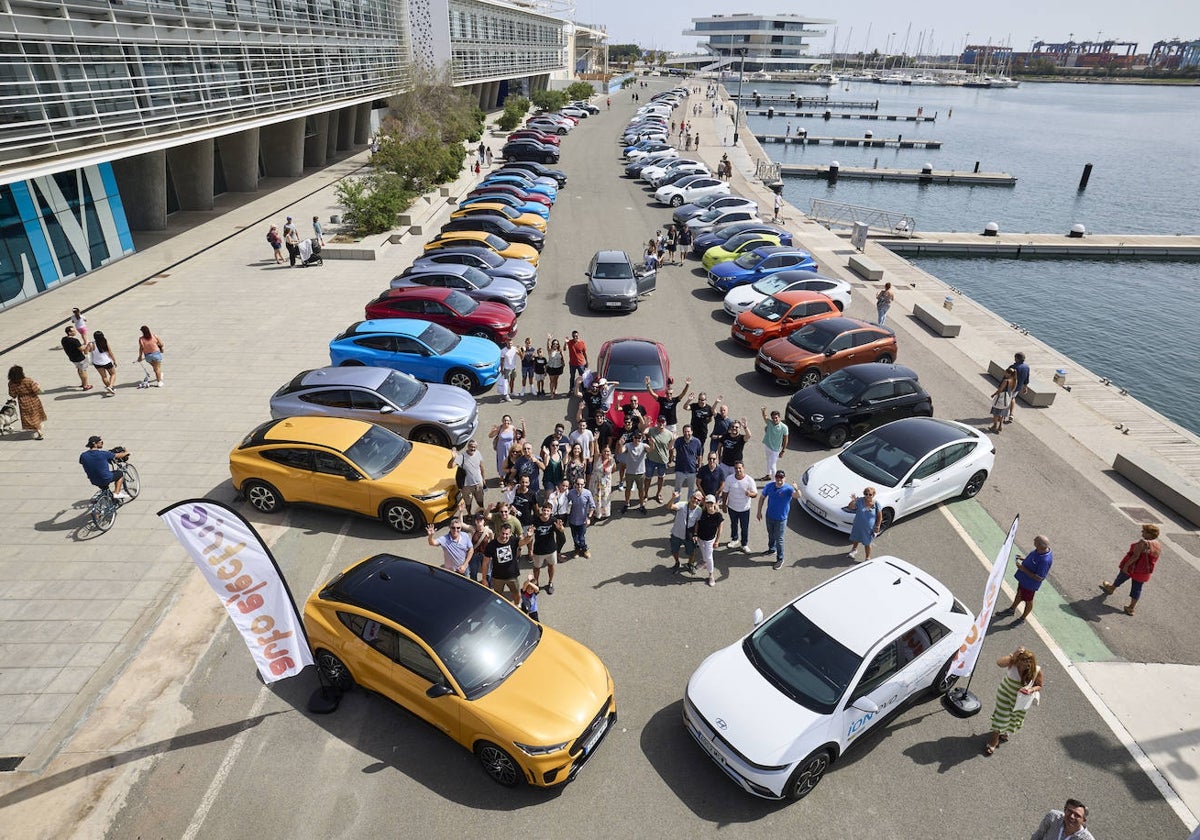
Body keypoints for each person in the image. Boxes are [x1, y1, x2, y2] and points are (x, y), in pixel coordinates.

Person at [984, 646, 1042, 755]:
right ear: (1018, 660)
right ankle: (993, 742)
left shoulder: (1036, 670)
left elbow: (1039, 685)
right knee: (1000, 718)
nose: (1025, 666)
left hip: (1020, 701)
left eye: (1028, 663)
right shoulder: (1013, 662)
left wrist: (1031, 690)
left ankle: (1005, 731)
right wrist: (1013, 655)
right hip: (1005, 695)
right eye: (1023, 662)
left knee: (1013, 718)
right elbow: (999, 663)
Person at [1100, 523, 1161, 616]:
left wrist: (1126, 565)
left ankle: (1111, 588)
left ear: (1149, 534)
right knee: (1137, 588)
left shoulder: (1143, 543)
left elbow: (1135, 556)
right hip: (1144, 571)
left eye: (1144, 531)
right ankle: (1131, 608)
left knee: (1122, 576)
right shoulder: (1157, 545)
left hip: (1133, 567)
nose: (1142, 532)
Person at [997, 535, 1053, 623]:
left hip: (1029, 584)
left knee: (1028, 601)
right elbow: (1034, 561)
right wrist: (1023, 559)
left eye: (1036, 541)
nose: (1033, 540)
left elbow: (1039, 578)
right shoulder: (1039, 550)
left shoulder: (1044, 561)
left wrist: (1023, 569)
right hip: (1024, 580)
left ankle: (1022, 618)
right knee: (1019, 593)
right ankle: (1012, 609)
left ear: (1039, 545)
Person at [758, 470, 798, 570]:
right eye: (777, 477)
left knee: (779, 539)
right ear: (775, 477)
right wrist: (759, 511)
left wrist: (797, 489)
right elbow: (762, 498)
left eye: (781, 478)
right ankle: (772, 549)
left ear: (785, 478)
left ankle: (780, 558)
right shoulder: (769, 486)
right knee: (770, 534)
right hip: (769, 516)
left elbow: (798, 496)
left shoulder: (788, 489)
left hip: (781, 519)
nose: (779, 480)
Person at [720, 462, 758, 552]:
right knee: (734, 524)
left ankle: (744, 544)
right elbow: (725, 492)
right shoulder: (729, 479)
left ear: (743, 468)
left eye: (740, 468)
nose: (738, 470)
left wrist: (750, 494)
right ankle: (734, 539)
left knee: (744, 527)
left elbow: (755, 494)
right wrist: (724, 505)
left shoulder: (749, 480)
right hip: (732, 508)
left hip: (744, 509)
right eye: (736, 468)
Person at [482, 522, 522, 605]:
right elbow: (485, 563)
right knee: (498, 596)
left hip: (512, 576)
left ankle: (517, 606)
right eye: (503, 533)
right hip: (498, 577)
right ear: (499, 532)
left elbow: (524, 542)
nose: (504, 536)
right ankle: (500, 609)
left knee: (516, 593)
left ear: (510, 533)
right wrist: (484, 579)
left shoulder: (514, 540)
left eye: (507, 534)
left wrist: (529, 535)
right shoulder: (491, 545)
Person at [526, 504, 562, 592]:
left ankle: (550, 582)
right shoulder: (535, 521)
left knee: (551, 566)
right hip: (538, 550)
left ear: (551, 512)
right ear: (542, 511)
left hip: (551, 549)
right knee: (536, 568)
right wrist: (529, 537)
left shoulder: (553, 520)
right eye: (544, 510)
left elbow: (562, 530)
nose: (546, 512)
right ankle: (536, 584)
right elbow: (530, 535)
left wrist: (560, 528)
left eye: (548, 511)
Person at [7, 366, 46, 440]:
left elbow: (13, 395)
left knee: (28, 417)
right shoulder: (28, 380)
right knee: (35, 414)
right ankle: (38, 430)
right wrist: (38, 386)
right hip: (33, 399)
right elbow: (36, 391)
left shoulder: (11, 383)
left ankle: (37, 427)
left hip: (23, 402)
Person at [692, 495, 724, 587]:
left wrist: (717, 541)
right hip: (701, 538)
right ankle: (704, 562)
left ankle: (711, 575)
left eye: (711, 503)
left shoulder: (718, 515)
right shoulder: (702, 512)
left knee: (709, 557)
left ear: (714, 504)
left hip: (710, 540)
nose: (709, 505)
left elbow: (720, 529)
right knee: (703, 552)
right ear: (705, 503)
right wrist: (695, 534)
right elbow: (697, 523)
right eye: (707, 503)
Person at [668, 490, 704, 572]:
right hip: (676, 534)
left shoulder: (699, 510)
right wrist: (673, 498)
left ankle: (690, 564)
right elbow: (670, 507)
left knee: (691, 552)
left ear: (700, 501)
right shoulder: (682, 504)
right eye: (694, 498)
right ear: (691, 497)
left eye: (698, 500)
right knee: (674, 550)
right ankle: (677, 562)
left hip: (689, 535)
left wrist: (695, 534)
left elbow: (697, 523)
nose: (695, 501)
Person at [846, 487, 882, 560]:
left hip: (869, 528)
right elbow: (850, 507)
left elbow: (879, 516)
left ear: (873, 495)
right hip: (858, 525)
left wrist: (878, 526)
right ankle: (854, 550)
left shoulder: (876, 504)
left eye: (870, 494)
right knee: (856, 538)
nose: (868, 496)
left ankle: (867, 558)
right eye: (866, 494)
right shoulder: (859, 501)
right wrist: (853, 501)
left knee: (867, 543)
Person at [450, 440, 485, 514]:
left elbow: (481, 467)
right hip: (467, 486)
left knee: (480, 501)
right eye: (471, 446)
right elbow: (451, 466)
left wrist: (483, 478)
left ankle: (482, 512)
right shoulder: (462, 456)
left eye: (474, 447)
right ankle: (469, 514)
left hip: (478, 484)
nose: (473, 448)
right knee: (468, 503)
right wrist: (453, 458)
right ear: (468, 447)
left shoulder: (478, 453)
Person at [644, 416, 674, 502]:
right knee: (648, 478)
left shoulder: (670, 434)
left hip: (663, 460)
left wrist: (670, 460)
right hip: (651, 459)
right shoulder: (651, 430)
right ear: (657, 422)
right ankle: (645, 495)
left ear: (665, 423)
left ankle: (658, 494)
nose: (661, 423)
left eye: (663, 422)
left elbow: (670, 448)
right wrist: (646, 424)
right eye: (659, 422)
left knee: (661, 478)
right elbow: (643, 432)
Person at [565, 477, 597, 559]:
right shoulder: (571, 493)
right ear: (575, 484)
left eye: (581, 484)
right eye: (578, 484)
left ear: (584, 485)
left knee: (581, 537)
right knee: (575, 537)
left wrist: (589, 517)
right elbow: (565, 503)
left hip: (583, 520)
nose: (579, 486)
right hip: (572, 519)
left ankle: (585, 549)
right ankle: (577, 549)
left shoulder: (587, 493)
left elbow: (592, 506)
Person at [621, 431, 649, 514]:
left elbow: (650, 449)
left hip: (640, 472)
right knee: (628, 490)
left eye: (639, 438)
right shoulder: (628, 445)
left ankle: (641, 505)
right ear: (633, 438)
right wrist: (620, 444)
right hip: (630, 472)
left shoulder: (644, 445)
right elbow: (621, 451)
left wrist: (652, 444)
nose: (637, 439)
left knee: (641, 490)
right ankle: (626, 503)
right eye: (636, 437)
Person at [488, 415, 521, 484]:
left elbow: (515, 438)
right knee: (501, 462)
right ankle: (501, 478)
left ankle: (511, 476)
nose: (506, 422)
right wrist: (493, 431)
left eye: (508, 420)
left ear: (510, 421)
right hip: (501, 449)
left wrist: (516, 447)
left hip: (510, 448)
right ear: (502, 421)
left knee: (511, 461)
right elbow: (490, 436)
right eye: (505, 420)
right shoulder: (500, 428)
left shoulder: (512, 428)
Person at [672, 424, 703, 498]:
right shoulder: (679, 440)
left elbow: (699, 456)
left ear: (692, 432)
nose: (687, 433)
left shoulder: (697, 442)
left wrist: (699, 466)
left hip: (692, 470)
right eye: (685, 432)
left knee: (691, 490)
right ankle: (676, 505)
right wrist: (673, 439)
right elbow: (670, 447)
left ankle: (689, 506)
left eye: (688, 431)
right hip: (680, 470)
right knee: (677, 489)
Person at [760, 407, 788, 480]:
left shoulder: (784, 427)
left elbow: (785, 439)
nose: (775, 420)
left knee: (773, 466)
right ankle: (768, 475)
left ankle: (774, 481)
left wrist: (783, 451)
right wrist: (763, 412)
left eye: (776, 418)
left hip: (775, 449)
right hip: (767, 446)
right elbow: (765, 417)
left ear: (779, 417)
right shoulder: (770, 423)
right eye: (773, 418)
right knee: (768, 461)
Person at [87, 330, 118, 395]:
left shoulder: (91, 344)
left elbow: (85, 352)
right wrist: (114, 360)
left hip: (97, 363)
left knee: (104, 377)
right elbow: (110, 352)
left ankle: (110, 388)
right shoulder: (104, 342)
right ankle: (111, 386)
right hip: (106, 361)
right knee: (113, 374)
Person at [590, 444, 615, 520]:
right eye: (604, 451)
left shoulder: (612, 460)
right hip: (596, 482)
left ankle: (604, 513)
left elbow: (613, 469)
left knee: (605, 498)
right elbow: (596, 450)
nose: (606, 453)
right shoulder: (598, 458)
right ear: (601, 452)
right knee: (596, 498)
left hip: (606, 483)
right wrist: (595, 440)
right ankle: (596, 514)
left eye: (608, 451)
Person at [989, 366, 1017, 433]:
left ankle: (994, 426)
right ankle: (1000, 426)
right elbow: (1013, 390)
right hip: (1008, 399)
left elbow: (1000, 390)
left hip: (1001, 398)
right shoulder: (1015, 380)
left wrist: (994, 394)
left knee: (996, 413)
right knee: (1002, 413)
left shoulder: (1006, 381)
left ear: (1009, 374)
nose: (1005, 374)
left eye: (1006, 373)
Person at [1008, 351, 1031, 424]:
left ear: (1017, 358)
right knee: (1012, 398)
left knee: (1006, 399)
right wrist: (1025, 387)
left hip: (1010, 386)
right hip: (1018, 387)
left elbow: (1006, 377)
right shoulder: (1027, 367)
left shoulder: (1013, 367)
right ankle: (1011, 414)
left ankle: (1003, 414)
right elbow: (1027, 378)